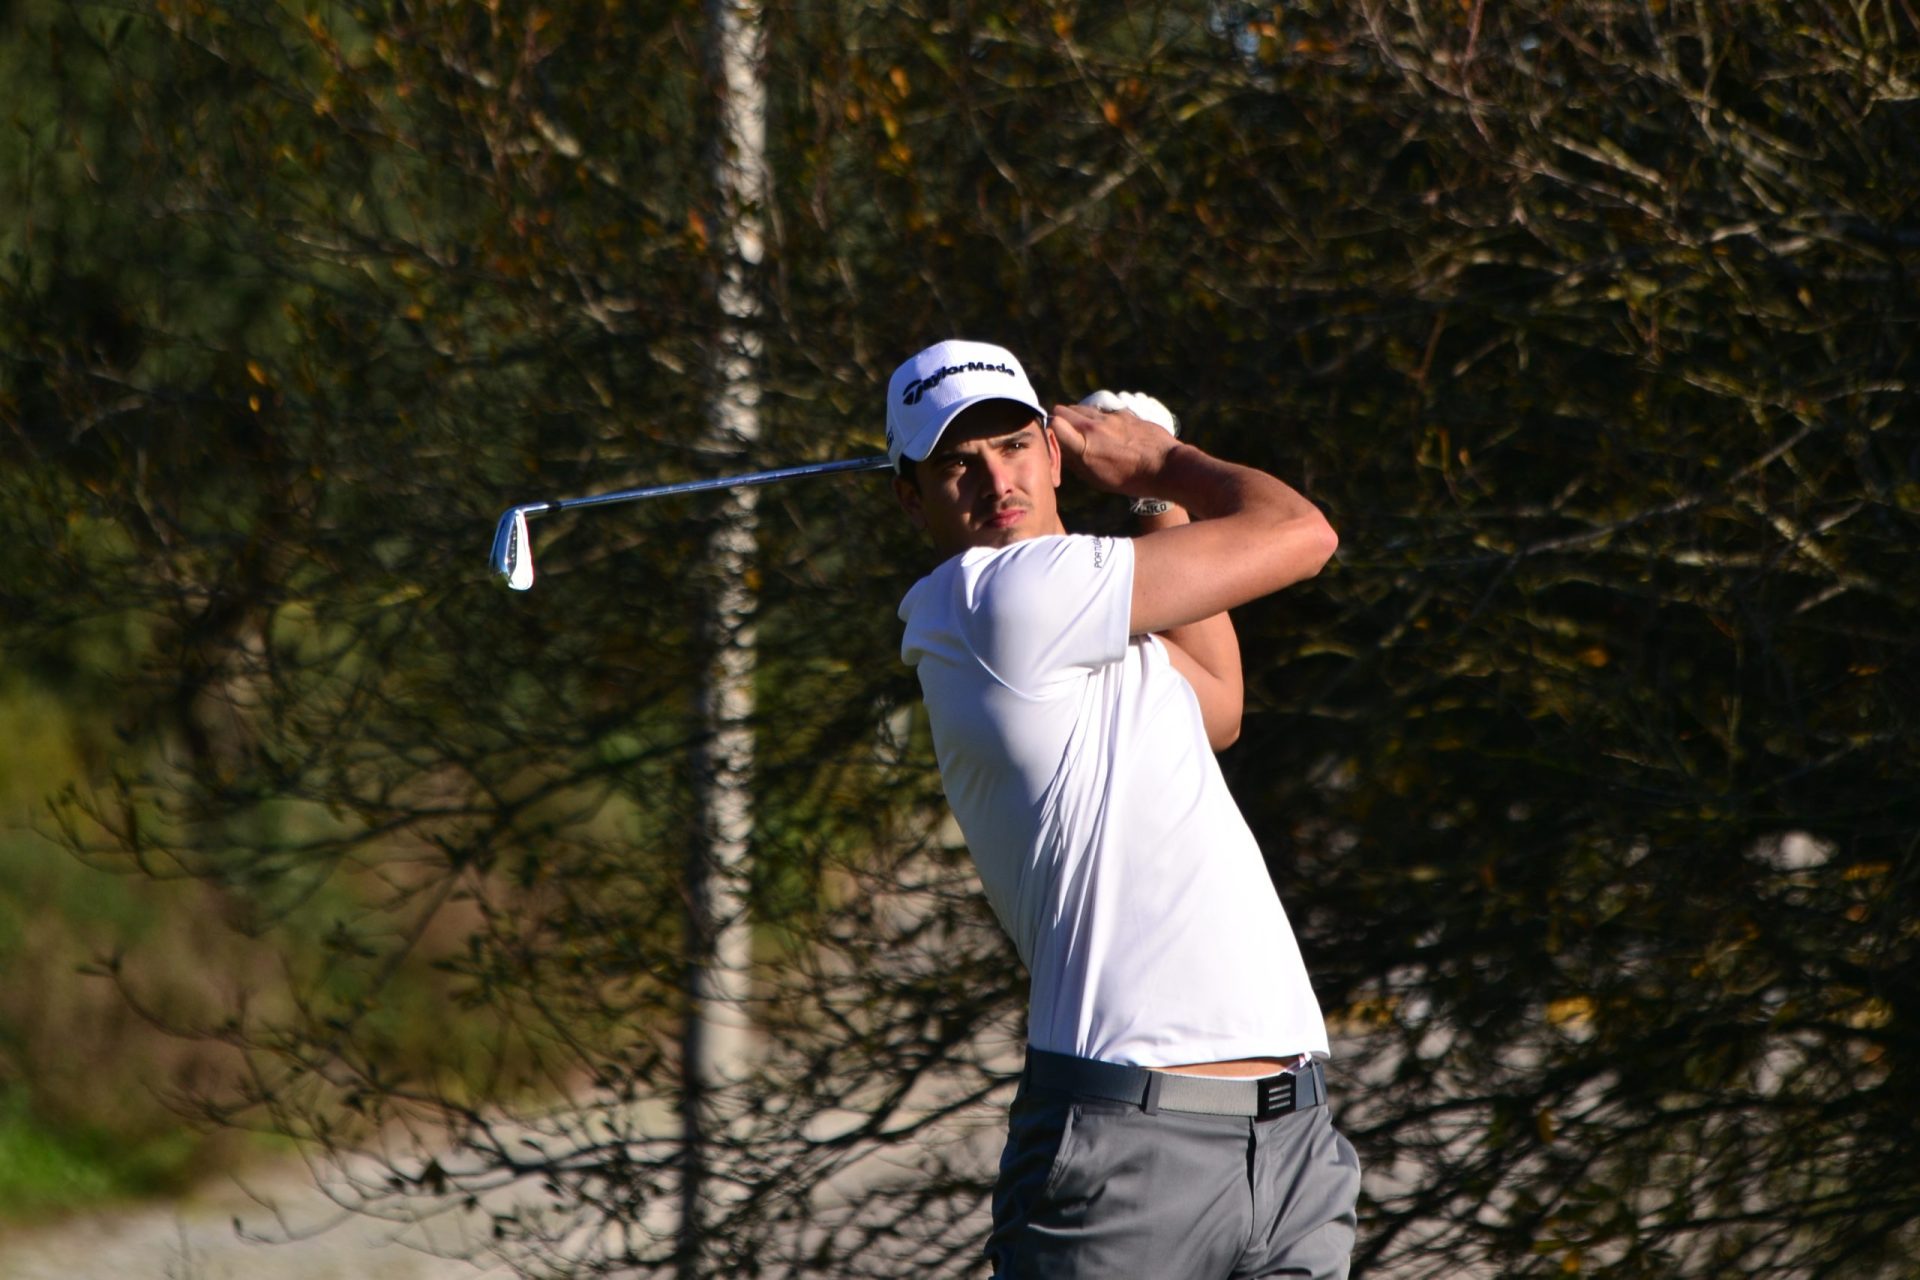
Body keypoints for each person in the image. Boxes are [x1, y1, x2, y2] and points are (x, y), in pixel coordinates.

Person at [887, 339, 1360, 1279]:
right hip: (1127, 1146)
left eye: (1015, 446)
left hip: (1291, 1137)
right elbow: (1301, 534)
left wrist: (1153, 509)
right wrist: (1157, 459)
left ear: (1055, 454)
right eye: (956, 464)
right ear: (913, 500)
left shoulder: (1082, 626)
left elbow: (1217, 705)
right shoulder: (996, 598)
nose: (996, 481)